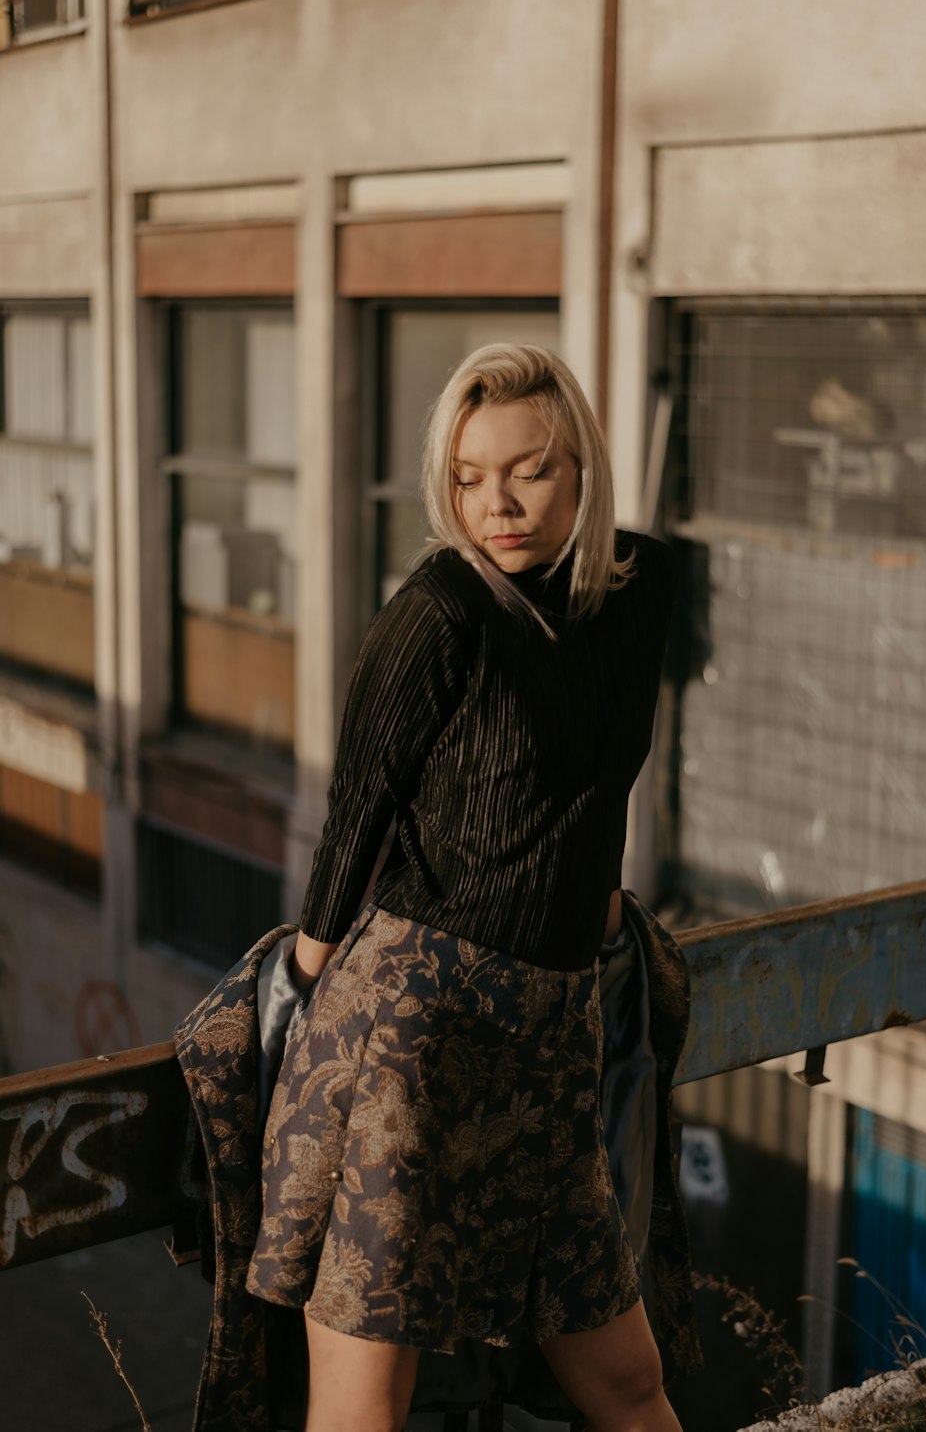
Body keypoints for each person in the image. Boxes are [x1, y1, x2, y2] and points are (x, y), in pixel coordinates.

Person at [245, 343, 687, 1432]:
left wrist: (603, 928)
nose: (494, 501)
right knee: (366, 1410)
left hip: (550, 1040)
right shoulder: (439, 608)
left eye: (526, 469)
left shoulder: (636, 595)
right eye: (466, 476)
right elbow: (356, 812)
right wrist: (305, 1004)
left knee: (628, 1384)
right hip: (410, 1039)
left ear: (581, 467)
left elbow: (600, 792)